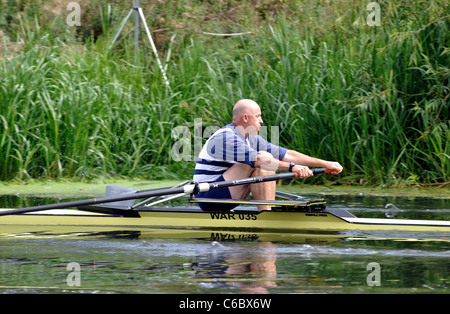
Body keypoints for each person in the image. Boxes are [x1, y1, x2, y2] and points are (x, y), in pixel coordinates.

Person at [193, 99, 343, 211]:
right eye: (258, 116)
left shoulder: (250, 138)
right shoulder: (226, 137)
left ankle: (267, 212)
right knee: (263, 159)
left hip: (226, 191)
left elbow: (286, 154)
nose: (261, 121)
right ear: (245, 118)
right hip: (209, 197)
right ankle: (266, 214)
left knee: (267, 157)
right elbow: (259, 160)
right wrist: (292, 168)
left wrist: (325, 163)